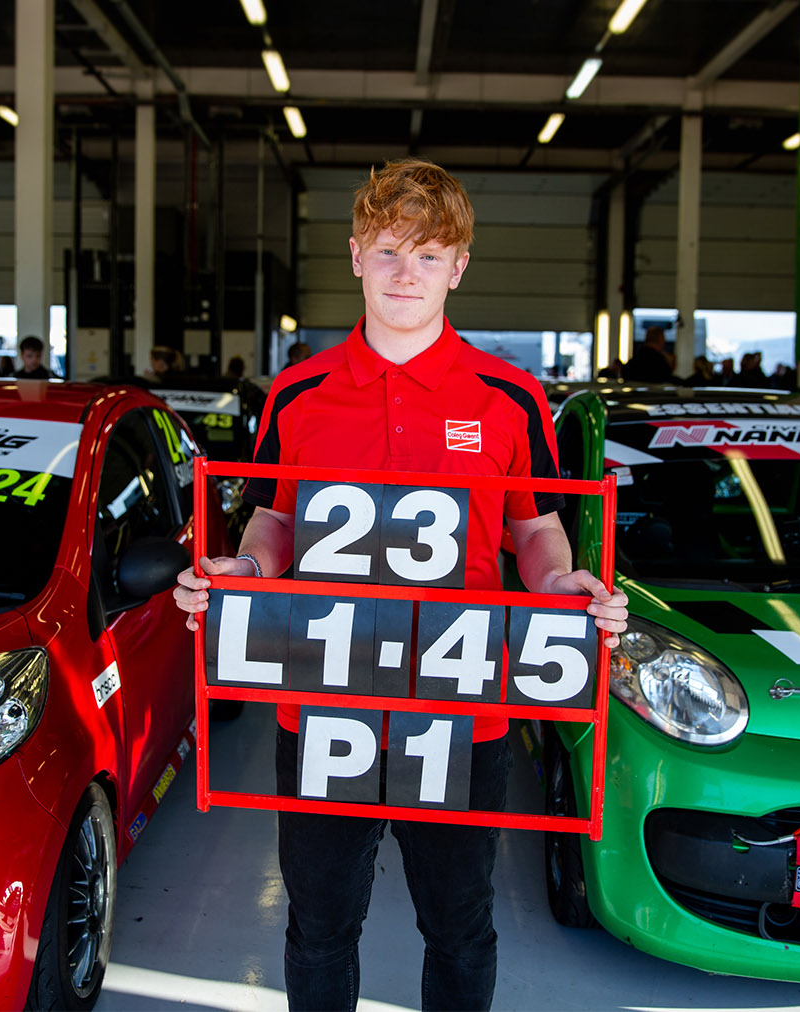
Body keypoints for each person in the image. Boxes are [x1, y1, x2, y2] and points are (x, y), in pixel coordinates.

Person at [173, 158, 629, 1012]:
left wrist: (564, 582)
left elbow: (532, 527)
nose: (404, 274)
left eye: (428, 256)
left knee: (459, 927)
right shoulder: (297, 393)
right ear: (354, 256)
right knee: (317, 927)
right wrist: (245, 567)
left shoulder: (512, 398)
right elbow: (275, 517)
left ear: (458, 267)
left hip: (460, 710)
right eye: (388, 251)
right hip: (321, 708)